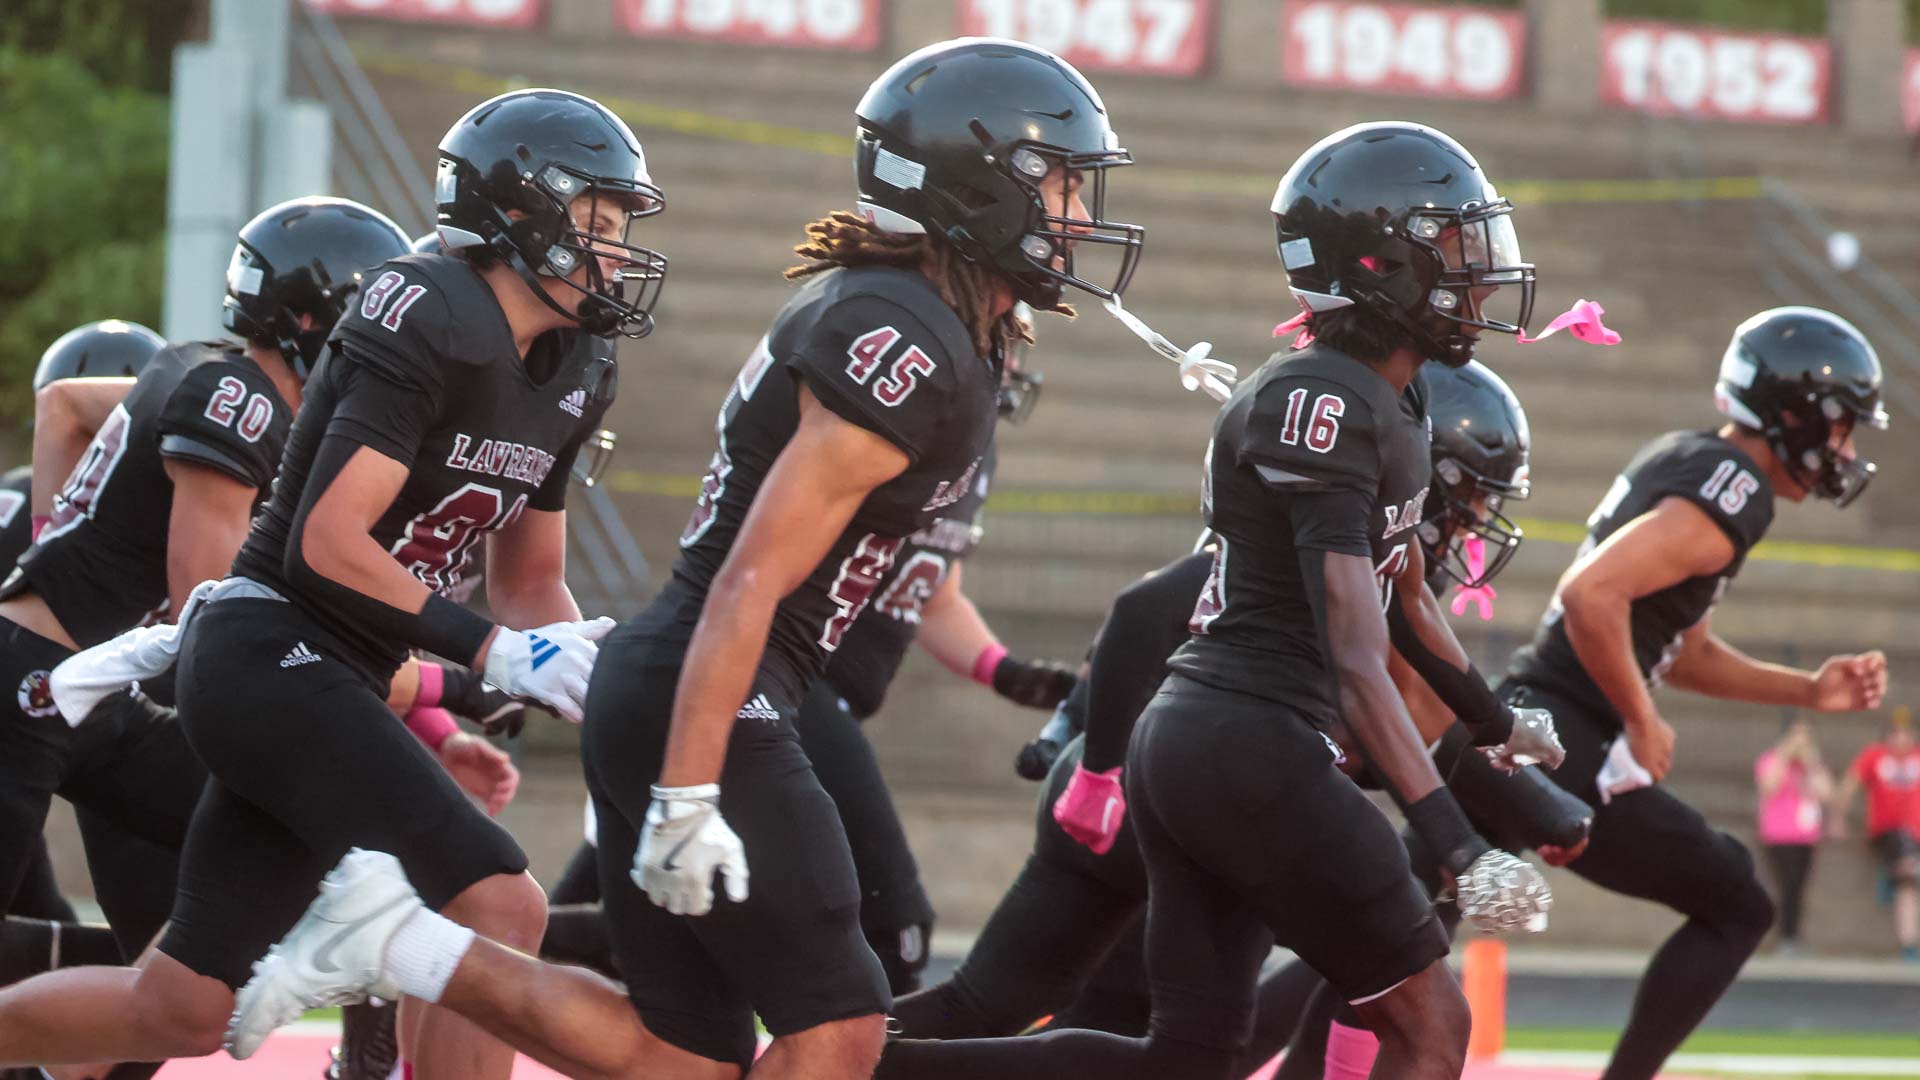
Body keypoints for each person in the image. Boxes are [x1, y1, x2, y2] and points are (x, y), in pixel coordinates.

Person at [222, 37, 1145, 1080]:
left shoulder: (923, 319)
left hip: (685, 681)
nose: (1078, 215)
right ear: (977, 188)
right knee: (838, 1027)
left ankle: (399, 942)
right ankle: (393, 937)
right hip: (716, 685)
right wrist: (690, 790)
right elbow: (749, 578)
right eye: (1060, 184)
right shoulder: (906, 335)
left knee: (683, 1058)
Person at [875, 120, 1556, 1080]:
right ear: (1383, 260)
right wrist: (1456, 841)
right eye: (1455, 242)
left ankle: (849, 1068)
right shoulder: (1324, 404)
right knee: (1432, 1025)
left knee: (1186, 1062)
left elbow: (1406, 595)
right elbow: (1357, 656)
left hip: (1216, 741)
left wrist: (1494, 720)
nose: (1481, 270)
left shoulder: (1389, 399)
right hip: (1251, 741)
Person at [0, 86, 655, 1080]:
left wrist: (601, 691)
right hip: (268, 650)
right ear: (518, 214)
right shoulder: (428, 309)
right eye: (595, 221)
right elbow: (326, 544)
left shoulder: (581, 364)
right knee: (499, 903)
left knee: (181, 1005)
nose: (613, 249)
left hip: (331, 675)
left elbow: (531, 583)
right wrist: (487, 654)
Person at [1500, 304, 1892, 1078]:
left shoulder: (1690, 457)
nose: (1845, 450)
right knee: (1738, 904)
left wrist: (1809, 691)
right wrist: (1640, 718)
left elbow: (1682, 651)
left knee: (1394, 931)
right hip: (1566, 733)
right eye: (1842, 428)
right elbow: (1590, 596)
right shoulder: (1738, 487)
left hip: (1526, 717)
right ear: (1795, 416)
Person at [1829, 709, 1920, 961]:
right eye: (1895, 733)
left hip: (1915, 835)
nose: (1900, 738)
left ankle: (1892, 877)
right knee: (1907, 871)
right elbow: (1849, 784)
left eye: (1906, 733)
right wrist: (1836, 819)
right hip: (1887, 831)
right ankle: (1909, 942)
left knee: (1907, 881)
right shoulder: (1875, 756)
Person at [1755, 718, 1830, 954]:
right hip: (1779, 835)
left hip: (1806, 836)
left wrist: (1811, 763)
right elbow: (1769, 786)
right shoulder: (1770, 760)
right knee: (1786, 885)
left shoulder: (1810, 765)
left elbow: (1826, 792)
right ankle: (1786, 937)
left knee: (1798, 887)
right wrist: (1784, 756)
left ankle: (1793, 936)